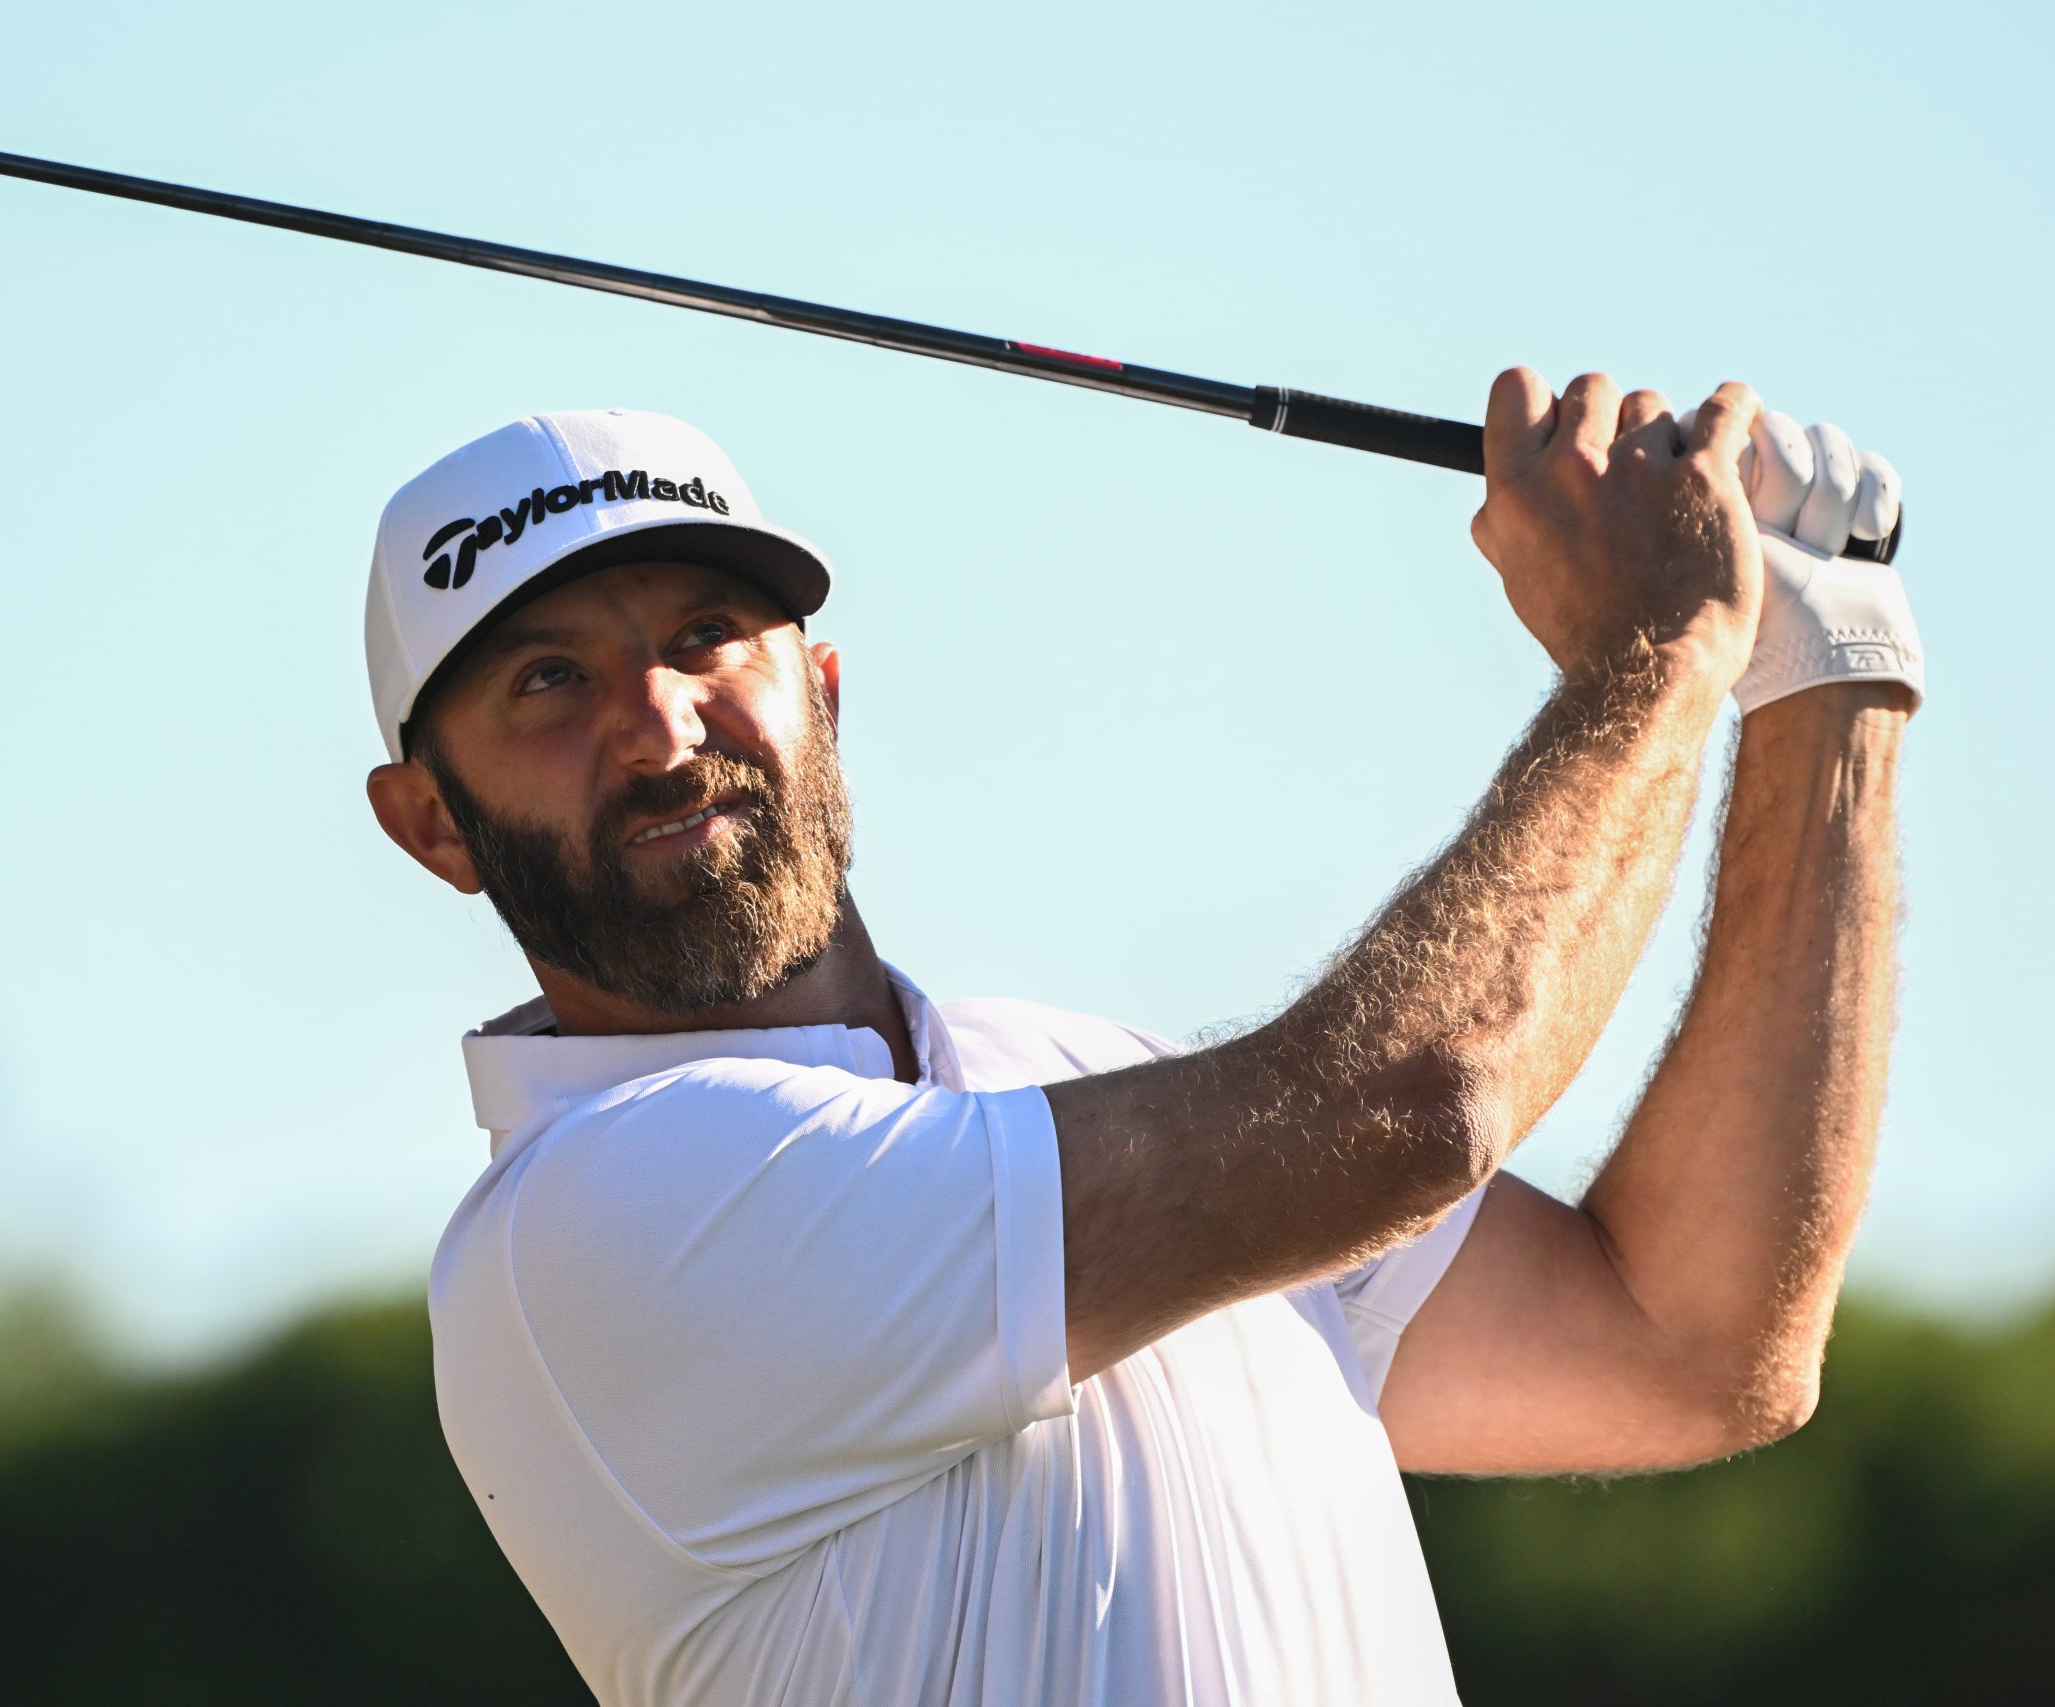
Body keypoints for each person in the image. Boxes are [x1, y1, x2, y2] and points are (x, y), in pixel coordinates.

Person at [358, 380, 1922, 1705]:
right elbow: (1412, 1104)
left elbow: (1688, 1344)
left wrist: (1820, 669)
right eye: (548, 679)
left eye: (710, 633)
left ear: (821, 692)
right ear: (431, 822)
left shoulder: (1071, 1066)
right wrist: (1655, 652)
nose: (659, 720)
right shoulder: (591, 1219)